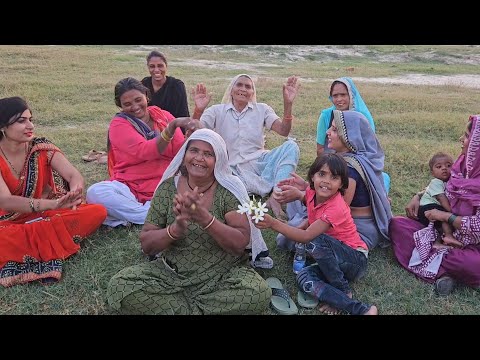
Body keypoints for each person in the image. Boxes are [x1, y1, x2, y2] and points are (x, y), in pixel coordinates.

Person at [106, 129, 272, 315]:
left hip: (223, 273)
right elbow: (147, 245)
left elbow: (239, 244)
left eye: (208, 154)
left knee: (257, 292)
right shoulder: (168, 189)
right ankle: (201, 309)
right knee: (120, 285)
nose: (199, 158)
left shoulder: (228, 190)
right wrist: (174, 230)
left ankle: (178, 309)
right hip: (171, 272)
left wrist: (206, 219)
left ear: (219, 160)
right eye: (194, 151)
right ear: (184, 154)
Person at [0, 96, 107, 287]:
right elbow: (5, 201)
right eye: (21, 121)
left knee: (97, 211)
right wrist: (54, 204)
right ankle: (50, 242)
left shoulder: (40, 147)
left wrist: (74, 193)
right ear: (3, 126)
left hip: (46, 214)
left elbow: (73, 175)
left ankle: (36, 243)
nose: (30, 125)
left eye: (30, 119)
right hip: (7, 221)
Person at [254, 153, 377, 315]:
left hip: (354, 259)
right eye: (321, 174)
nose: (326, 181)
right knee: (305, 280)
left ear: (341, 184)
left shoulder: (336, 207)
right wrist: (300, 195)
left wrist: (273, 223)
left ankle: (342, 289)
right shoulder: (311, 193)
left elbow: (307, 236)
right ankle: (361, 310)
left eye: (334, 177)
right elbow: (311, 213)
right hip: (331, 261)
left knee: (314, 239)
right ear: (312, 176)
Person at [86, 77, 208, 227]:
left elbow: (180, 151)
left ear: (146, 96)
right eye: (127, 104)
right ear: (120, 106)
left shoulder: (163, 115)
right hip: (130, 185)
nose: (135, 107)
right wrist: (171, 127)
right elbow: (146, 151)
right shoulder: (119, 124)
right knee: (95, 192)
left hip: (165, 183)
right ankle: (151, 214)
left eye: (138, 100)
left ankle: (133, 215)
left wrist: (198, 112)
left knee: (193, 193)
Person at [275, 110, 392, 252]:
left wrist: (301, 196)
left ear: (350, 136)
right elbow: (331, 193)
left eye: (335, 130)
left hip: (358, 230)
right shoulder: (356, 157)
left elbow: (334, 208)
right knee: (296, 201)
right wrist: (306, 186)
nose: (328, 132)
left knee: (288, 236)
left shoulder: (350, 169)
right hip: (337, 216)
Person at [390, 115, 480, 296]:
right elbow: (442, 186)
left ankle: (440, 267)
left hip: (473, 245)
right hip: (444, 233)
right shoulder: (463, 167)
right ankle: (444, 270)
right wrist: (418, 195)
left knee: (472, 264)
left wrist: (446, 217)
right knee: (397, 224)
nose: (461, 140)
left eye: (466, 136)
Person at [198, 73, 300, 219]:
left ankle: (276, 196)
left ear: (252, 92)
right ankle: (254, 190)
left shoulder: (262, 109)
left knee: (291, 146)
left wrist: (288, 104)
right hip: (230, 168)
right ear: (231, 89)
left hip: (260, 163)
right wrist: (198, 110)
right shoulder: (216, 110)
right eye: (239, 85)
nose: (243, 89)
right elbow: (195, 133)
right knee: (221, 187)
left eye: (248, 86)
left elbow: (284, 131)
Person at [316, 77, 390, 194]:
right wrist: (329, 166)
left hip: (357, 163)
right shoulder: (326, 115)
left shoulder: (362, 117)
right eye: (335, 96)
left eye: (343, 95)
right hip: (331, 161)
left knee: (381, 178)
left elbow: (368, 148)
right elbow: (320, 148)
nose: (339, 99)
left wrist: (352, 165)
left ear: (351, 95)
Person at [417, 152, 461, 248]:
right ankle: (448, 236)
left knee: (438, 227)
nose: (444, 168)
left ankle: (438, 243)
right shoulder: (436, 182)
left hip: (434, 208)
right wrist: (451, 211)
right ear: (432, 173)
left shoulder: (449, 182)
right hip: (427, 208)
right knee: (445, 217)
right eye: (439, 167)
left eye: (448, 165)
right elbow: (441, 198)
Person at [141, 50, 201, 120]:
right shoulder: (144, 84)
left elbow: (183, 114)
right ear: (148, 67)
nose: (156, 70)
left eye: (160, 66)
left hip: (172, 126)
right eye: (152, 66)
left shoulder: (176, 86)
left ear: (166, 66)